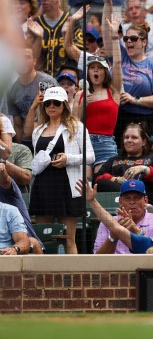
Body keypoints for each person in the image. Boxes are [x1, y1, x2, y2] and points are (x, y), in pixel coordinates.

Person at [24, 87, 95, 254]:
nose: (52, 106)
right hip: (43, 186)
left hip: (67, 186)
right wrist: (33, 106)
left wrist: (68, 159)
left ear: (64, 105)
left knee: (69, 239)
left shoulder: (76, 127)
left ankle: (72, 278)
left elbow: (90, 156)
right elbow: (27, 134)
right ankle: (44, 278)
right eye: (48, 103)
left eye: (56, 102)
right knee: (43, 238)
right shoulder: (38, 130)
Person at [74, 1, 122, 172]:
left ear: (105, 73)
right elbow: (73, 124)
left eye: (99, 69)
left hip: (106, 143)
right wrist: (82, 108)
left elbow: (117, 63)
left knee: (104, 182)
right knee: (84, 184)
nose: (95, 71)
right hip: (84, 142)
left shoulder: (113, 91)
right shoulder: (80, 94)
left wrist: (115, 37)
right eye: (92, 68)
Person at [94, 122, 153, 210]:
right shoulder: (114, 160)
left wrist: (145, 170)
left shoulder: (152, 158)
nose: (129, 140)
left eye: (134, 137)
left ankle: (143, 205)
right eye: (126, 137)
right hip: (119, 201)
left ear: (143, 141)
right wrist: (116, 179)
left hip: (147, 201)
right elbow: (96, 179)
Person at [7, 47, 56, 146]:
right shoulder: (12, 90)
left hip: (48, 138)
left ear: (34, 61)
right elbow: (17, 124)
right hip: (27, 141)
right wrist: (23, 146)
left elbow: (60, 111)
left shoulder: (47, 82)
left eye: (26, 57)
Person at [92, 179, 153, 254]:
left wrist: (137, 231)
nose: (132, 202)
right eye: (127, 198)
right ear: (120, 202)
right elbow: (98, 259)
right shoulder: (107, 223)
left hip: (145, 265)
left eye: (137, 198)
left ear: (145, 201)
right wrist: (113, 236)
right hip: (116, 265)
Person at [0, 158, 43, 254]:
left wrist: (15, 249)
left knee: (32, 242)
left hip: (17, 249)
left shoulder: (9, 209)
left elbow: (5, 180)